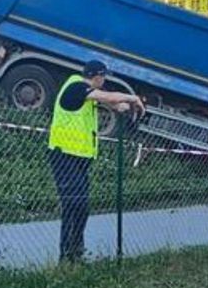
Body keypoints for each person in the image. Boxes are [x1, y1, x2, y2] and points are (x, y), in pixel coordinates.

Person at [48, 59, 144, 262]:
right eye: (103, 77)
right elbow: (105, 96)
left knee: (81, 206)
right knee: (73, 204)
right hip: (64, 155)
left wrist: (119, 106)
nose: (104, 80)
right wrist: (132, 97)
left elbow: (103, 100)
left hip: (79, 158)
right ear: (97, 76)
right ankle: (66, 256)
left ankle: (76, 252)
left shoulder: (85, 92)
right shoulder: (76, 87)